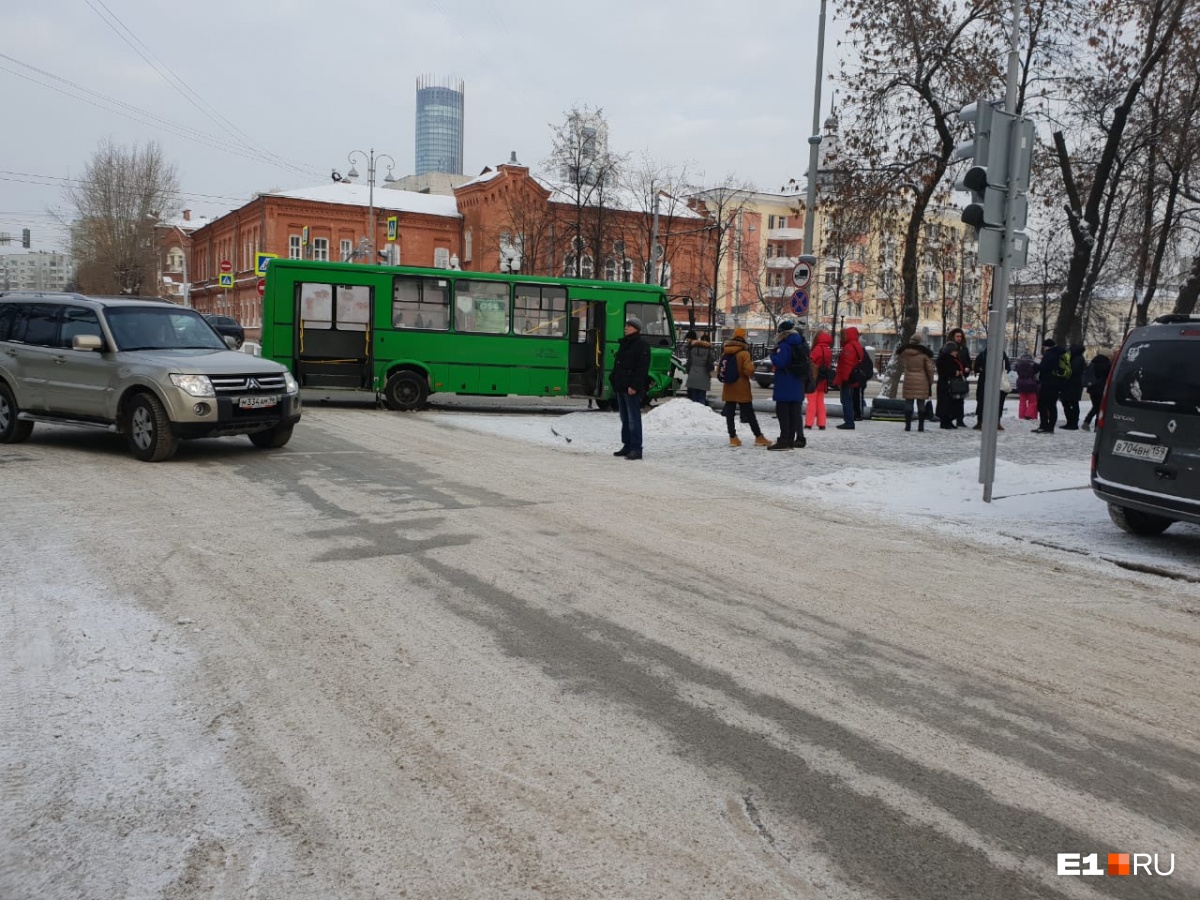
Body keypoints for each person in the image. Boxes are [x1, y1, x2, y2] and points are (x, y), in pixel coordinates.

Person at [720, 327, 769, 447]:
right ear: (744, 337)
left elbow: (719, 369)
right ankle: (758, 437)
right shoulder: (744, 353)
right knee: (749, 413)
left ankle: (733, 438)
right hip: (741, 387)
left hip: (729, 386)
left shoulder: (725, 352)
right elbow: (749, 370)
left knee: (730, 414)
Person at [609, 316, 651, 460]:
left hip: (631, 388)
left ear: (636, 329)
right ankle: (627, 446)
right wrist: (613, 379)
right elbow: (618, 364)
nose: (626, 328)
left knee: (633, 419)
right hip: (621, 387)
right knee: (625, 418)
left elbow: (642, 368)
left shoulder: (641, 345)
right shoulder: (625, 343)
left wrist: (634, 386)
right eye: (626, 325)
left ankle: (636, 448)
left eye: (629, 326)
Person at [767, 320, 808, 450]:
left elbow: (780, 363)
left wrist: (773, 355)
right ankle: (790, 440)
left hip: (785, 383)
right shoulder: (799, 343)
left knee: (783, 413)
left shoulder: (785, 345)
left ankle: (784, 440)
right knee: (792, 414)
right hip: (796, 383)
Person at [895, 334, 935, 432]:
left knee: (909, 402)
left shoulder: (905, 352)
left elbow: (899, 360)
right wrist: (931, 380)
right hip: (922, 380)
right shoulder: (924, 353)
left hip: (908, 379)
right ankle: (920, 426)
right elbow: (929, 369)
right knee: (921, 403)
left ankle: (907, 426)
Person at [832, 326, 866, 430]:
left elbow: (847, 364)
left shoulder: (849, 347)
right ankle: (849, 420)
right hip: (853, 377)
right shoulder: (856, 345)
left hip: (848, 378)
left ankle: (849, 421)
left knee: (846, 400)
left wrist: (844, 379)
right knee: (849, 399)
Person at [972, 345, 1010, 431]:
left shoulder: (985, 354)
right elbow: (976, 368)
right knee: (985, 402)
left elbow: (1007, 367)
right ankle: (983, 422)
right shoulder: (984, 355)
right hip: (987, 381)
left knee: (993, 402)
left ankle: (986, 422)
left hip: (993, 381)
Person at [1034, 338, 1069, 434]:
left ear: (1047, 347)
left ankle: (1044, 426)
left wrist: (1035, 365)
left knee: (1042, 405)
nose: (1044, 349)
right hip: (1057, 383)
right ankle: (1051, 427)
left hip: (1047, 383)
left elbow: (1044, 368)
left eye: (1044, 347)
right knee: (1052, 405)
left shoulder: (1049, 355)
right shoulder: (1060, 354)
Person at [805, 327, 833, 430]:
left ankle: (809, 423)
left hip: (814, 379)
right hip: (823, 379)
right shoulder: (827, 349)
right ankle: (822, 423)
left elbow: (811, 363)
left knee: (811, 401)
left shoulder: (816, 349)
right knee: (820, 402)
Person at [935, 341, 967, 429]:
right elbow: (946, 371)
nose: (956, 352)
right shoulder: (945, 359)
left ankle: (948, 421)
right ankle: (945, 422)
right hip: (945, 384)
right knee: (945, 404)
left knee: (950, 404)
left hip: (949, 384)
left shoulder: (951, 359)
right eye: (954, 351)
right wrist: (955, 372)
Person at [1081, 348, 1112, 431]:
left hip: (1092, 387)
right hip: (1101, 388)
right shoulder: (1107, 364)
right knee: (1098, 407)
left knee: (1096, 406)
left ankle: (1088, 422)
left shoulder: (1093, 362)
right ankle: (1095, 425)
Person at [1059, 343, 1087, 429]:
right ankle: (1072, 422)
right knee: (1072, 404)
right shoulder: (1078, 358)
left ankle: (1072, 423)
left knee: (1070, 403)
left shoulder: (1076, 360)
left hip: (1072, 385)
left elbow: (1071, 372)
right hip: (1074, 385)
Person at [682, 329, 714, 405]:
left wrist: (688, 370)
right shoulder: (708, 350)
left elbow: (689, 362)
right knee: (702, 397)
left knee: (693, 398)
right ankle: (701, 413)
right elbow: (712, 360)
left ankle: (694, 413)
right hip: (704, 374)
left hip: (693, 374)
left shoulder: (692, 349)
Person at [947, 328, 971, 426]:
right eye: (957, 336)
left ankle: (960, 419)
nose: (959, 338)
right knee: (952, 399)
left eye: (961, 336)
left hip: (961, 377)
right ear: (953, 337)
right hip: (952, 377)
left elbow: (968, 361)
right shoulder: (948, 348)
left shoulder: (964, 349)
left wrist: (968, 368)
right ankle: (951, 417)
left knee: (961, 400)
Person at [1013, 352, 1039, 420]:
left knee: (1022, 402)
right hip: (1031, 384)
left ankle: (1021, 415)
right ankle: (1028, 414)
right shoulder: (1033, 364)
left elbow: (1016, 370)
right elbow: (1037, 370)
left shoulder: (1018, 365)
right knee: (1032, 401)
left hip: (1021, 383)